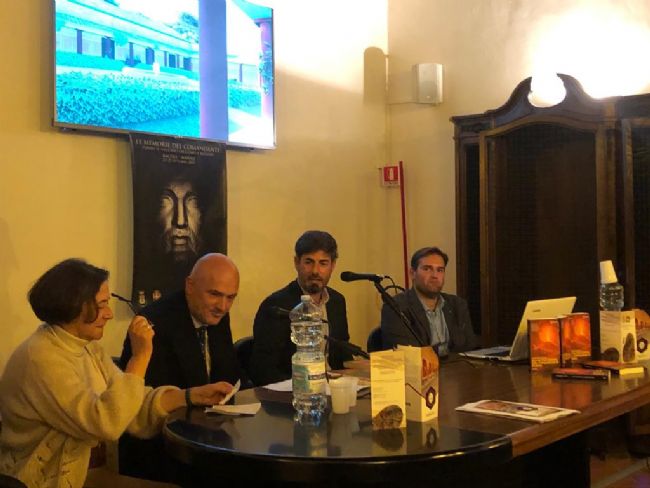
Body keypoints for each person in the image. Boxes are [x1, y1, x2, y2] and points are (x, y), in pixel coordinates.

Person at [0, 259, 232, 488]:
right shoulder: (41, 357)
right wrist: (139, 358)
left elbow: (130, 405)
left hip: (87, 474)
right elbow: (106, 423)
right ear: (73, 305)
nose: (109, 314)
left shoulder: (88, 348)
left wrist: (190, 396)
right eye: (101, 305)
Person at [118, 252, 241, 481]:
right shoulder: (155, 322)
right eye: (214, 294)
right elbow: (150, 406)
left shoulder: (216, 315)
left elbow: (228, 375)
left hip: (209, 438)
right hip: (162, 451)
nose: (223, 306)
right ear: (190, 286)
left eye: (231, 297)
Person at [250, 230, 352, 386]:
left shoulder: (337, 302)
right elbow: (263, 370)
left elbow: (343, 356)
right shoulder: (275, 306)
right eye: (308, 262)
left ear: (333, 266)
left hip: (333, 388)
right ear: (297, 263)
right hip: (296, 391)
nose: (315, 271)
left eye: (323, 263)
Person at [381, 247, 479, 356]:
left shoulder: (458, 304)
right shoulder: (396, 307)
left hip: (457, 365)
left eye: (440, 270)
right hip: (420, 367)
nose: (435, 276)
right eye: (427, 269)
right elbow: (408, 355)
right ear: (412, 273)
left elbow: (469, 347)